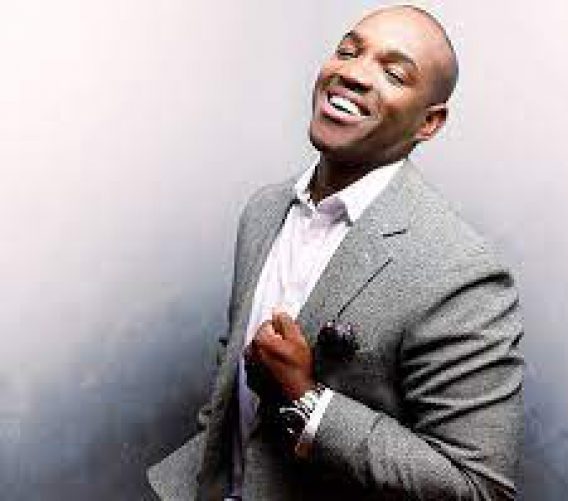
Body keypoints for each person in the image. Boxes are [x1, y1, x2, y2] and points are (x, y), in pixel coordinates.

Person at [148, 4, 523, 500]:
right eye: (347, 51)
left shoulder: (460, 272)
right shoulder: (264, 210)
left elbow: (478, 487)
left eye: (394, 73)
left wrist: (305, 397)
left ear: (429, 122)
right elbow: (231, 374)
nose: (354, 73)